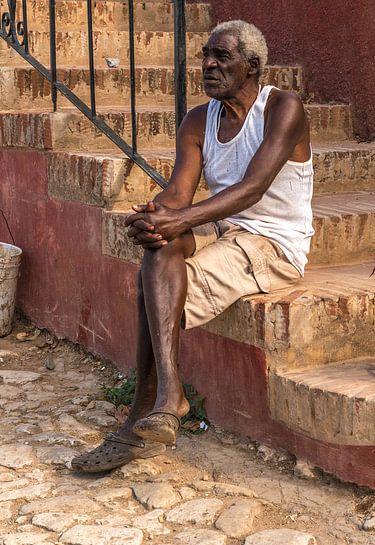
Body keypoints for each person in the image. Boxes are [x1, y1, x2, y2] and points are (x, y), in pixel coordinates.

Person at [72, 20, 313, 472]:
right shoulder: (199, 119)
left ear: (252, 66)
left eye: (221, 57)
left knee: (156, 286)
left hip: (272, 244)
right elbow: (178, 196)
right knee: (158, 249)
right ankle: (166, 397)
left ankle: (145, 412)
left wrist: (178, 219)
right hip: (224, 229)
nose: (208, 64)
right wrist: (152, 218)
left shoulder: (283, 108)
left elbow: (252, 188)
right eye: (206, 54)